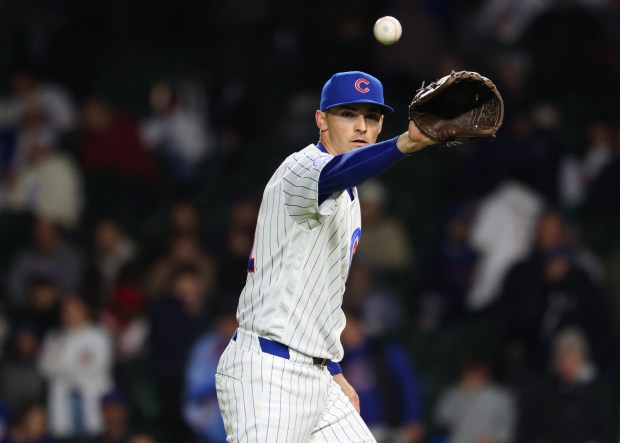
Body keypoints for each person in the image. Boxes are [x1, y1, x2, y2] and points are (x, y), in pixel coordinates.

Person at [216, 71, 436, 442]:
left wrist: (333, 370)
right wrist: (405, 143)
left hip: (317, 375)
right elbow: (336, 172)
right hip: (268, 374)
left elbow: (322, 296)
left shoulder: (351, 197)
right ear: (321, 120)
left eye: (372, 117)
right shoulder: (300, 169)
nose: (361, 126)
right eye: (347, 114)